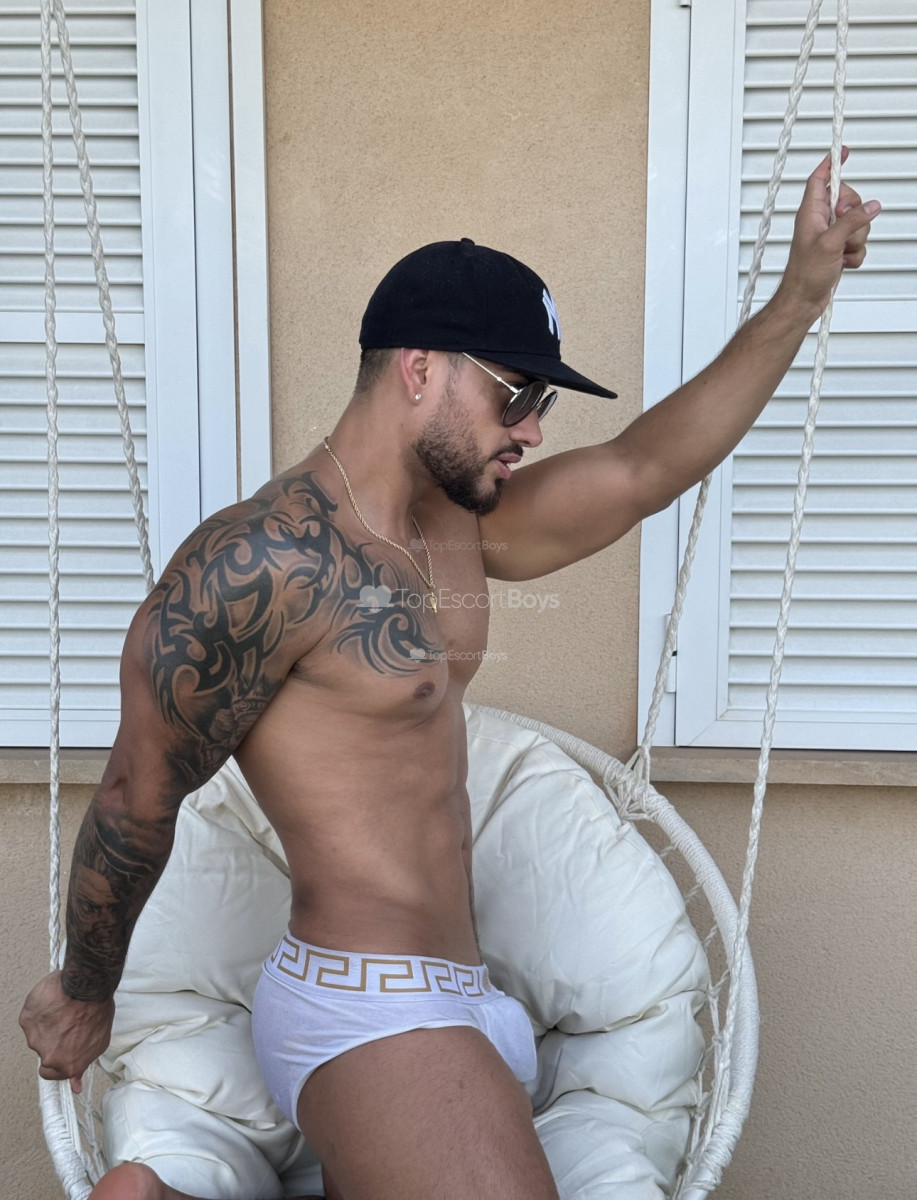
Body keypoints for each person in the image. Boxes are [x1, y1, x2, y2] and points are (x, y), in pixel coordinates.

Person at [21, 151, 878, 1200]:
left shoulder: (455, 526)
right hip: (362, 1003)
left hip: (471, 1002)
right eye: (515, 394)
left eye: (541, 401)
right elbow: (135, 796)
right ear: (419, 368)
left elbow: (644, 468)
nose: (531, 429)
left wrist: (799, 296)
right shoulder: (260, 562)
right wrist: (87, 991)